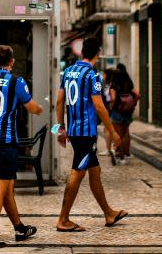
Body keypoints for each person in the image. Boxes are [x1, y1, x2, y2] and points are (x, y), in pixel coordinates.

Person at [55, 37, 129, 232]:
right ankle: (63, 219)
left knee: (94, 171)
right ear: (97, 53)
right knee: (77, 173)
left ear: (81, 52)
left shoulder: (69, 71)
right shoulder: (93, 75)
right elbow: (99, 105)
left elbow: (59, 101)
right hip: (86, 132)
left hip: (74, 130)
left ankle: (109, 213)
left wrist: (60, 127)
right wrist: (112, 131)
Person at [0, 45, 44, 250]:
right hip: (5, 142)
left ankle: (20, 228)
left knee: (7, 188)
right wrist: (39, 109)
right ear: (12, 62)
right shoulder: (16, 81)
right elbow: (30, 106)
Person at [109, 64, 139, 162]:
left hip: (117, 111)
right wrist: (133, 105)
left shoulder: (114, 85)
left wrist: (110, 108)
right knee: (125, 133)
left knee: (118, 134)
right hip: (128, 112)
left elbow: (113, 98)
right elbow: (138, 95)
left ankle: (119, 154)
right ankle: (125, 154)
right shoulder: (128, 83)